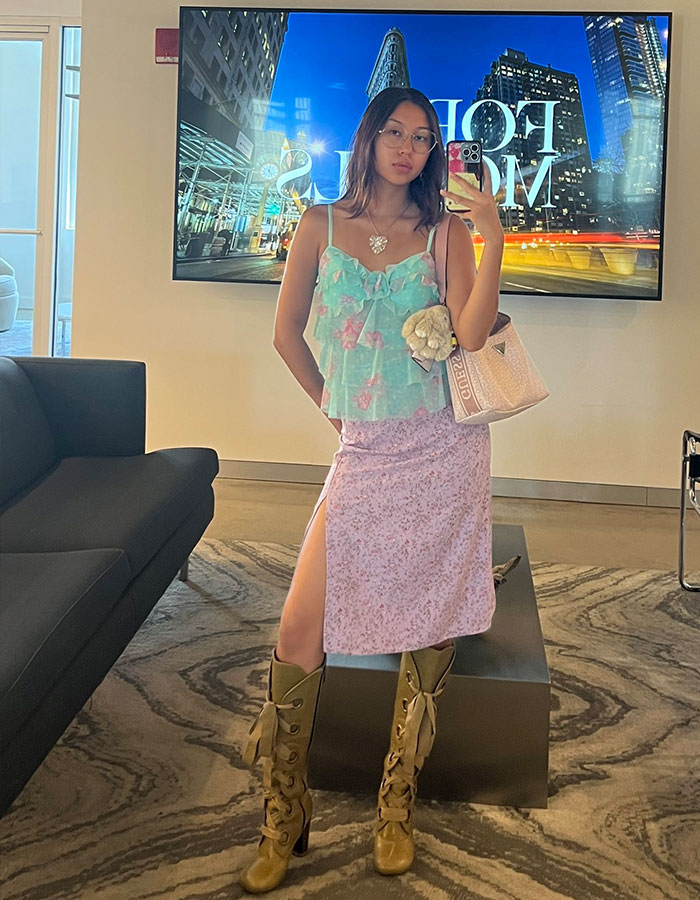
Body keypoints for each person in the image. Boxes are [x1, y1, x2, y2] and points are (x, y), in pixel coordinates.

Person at [239, 86, 505, 894]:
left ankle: (396, 803)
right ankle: (285, 812)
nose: (406, 147)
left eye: (421, 137)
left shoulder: (446, 232)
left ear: (431, 152)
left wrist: (491, 236)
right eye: (393, 131)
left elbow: (469, 335)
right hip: (367, 450)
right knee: (298, 629)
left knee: (429, 620)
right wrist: (336, 407)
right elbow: (286, 333)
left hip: (443, 450)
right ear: (368, 138)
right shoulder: (318, 224)